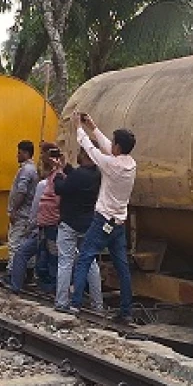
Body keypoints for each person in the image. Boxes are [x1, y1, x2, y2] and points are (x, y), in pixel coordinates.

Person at [68, 113, 138, 324]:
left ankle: (75, 304)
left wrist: (79, 128)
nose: (112, 146)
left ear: (118, 147)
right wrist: (94, 127)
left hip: (103, 221)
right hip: (118, 224)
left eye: (114, 143)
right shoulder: (130, 164)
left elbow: (91, 149)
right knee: (122, 267)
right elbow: (108, 148)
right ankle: (126, 311)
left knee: (84, 259)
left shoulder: (111, 165)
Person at [53, 149, 104, 312]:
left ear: (84, 155)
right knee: (91, 263)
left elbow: (60, 188)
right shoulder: (97, 174)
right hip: (88, 223)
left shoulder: (78, 175)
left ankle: (62, 301)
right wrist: (66, 166)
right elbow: (76, 179)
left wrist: (59, 172)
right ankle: (98, 303)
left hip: (69, 223)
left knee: (65, 262)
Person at [7, 145, 60, 294]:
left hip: (40, 225)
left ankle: (14, 281)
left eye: (19, 152)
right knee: (49, 257)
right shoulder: (61, 179)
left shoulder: (42, 183)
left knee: (19, 249)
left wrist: (14, 211)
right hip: (52, 226)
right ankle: (37, 282)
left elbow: (27, 197)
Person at [6, 140, 38, 283]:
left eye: (19, 152)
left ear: (26, 153)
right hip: (30, 214)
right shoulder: (35, 169)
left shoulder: (26, 170)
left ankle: (11, 273)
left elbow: (21, 191)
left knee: (14, 244)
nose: (17, 155)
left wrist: (14, 210)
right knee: (27, 246)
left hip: (21, 214)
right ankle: (28, 275)